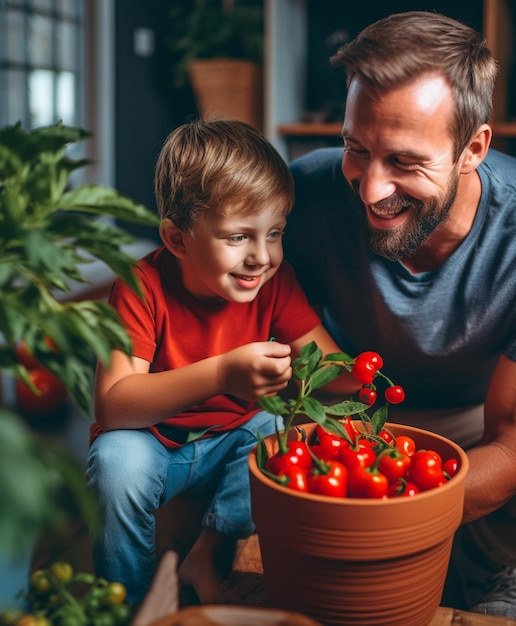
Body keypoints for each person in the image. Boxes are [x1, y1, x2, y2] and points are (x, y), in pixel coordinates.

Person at [284, 10, 516, 624]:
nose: (370, 189)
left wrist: (369, 527)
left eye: (406, 163)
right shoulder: (302, 194)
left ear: (473, 148)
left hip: (482, 420)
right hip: (345, 410)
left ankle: (482, 558)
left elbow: (512, 451)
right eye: (356, 149)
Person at [86, 119, 357, 606]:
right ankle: (128, 603)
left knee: (277, 427)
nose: (262, 257)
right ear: (178, 240)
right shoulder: (139, 285)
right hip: (155, 447)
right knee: (115, 462)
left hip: (231, 443)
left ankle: (210, 552)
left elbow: (332, 369)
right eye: (238, 237)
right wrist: (222, 373)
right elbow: (112, 406)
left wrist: (344, 374)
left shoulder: (275, 282)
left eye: (274, 233)